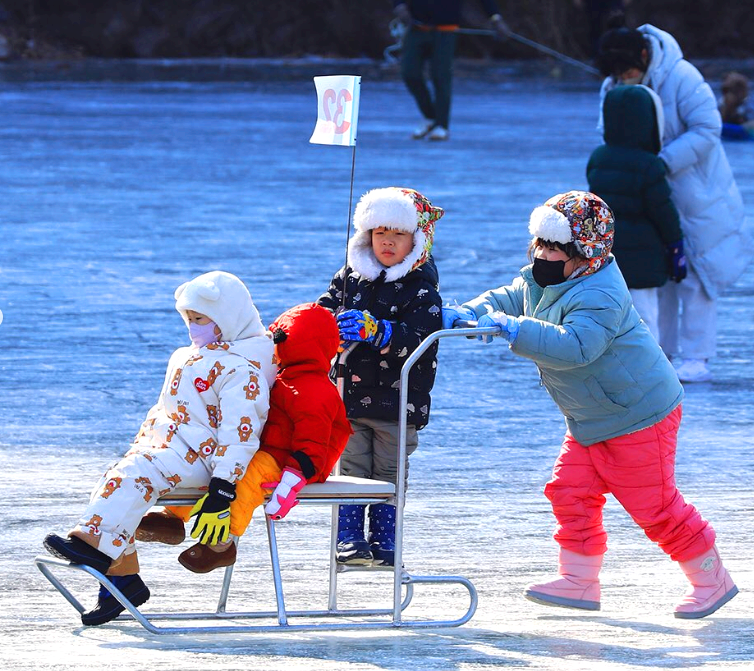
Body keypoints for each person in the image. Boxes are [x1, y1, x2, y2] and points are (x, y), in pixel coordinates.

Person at [442, 191, 738, 619]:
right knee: (570, 491)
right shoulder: (543, 279)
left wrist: (513, 328)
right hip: (591, 416)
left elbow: (579, 347)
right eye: (540, 245)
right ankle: (579, 580)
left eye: (554, 248)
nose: (542, 255)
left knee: (654, 507)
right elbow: (509, 297)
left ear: (585, 254)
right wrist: (468, 313)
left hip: (638, 414)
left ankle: (712, 579)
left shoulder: (600, 293)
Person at [42, 271, 276, 625]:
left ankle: (94, 545)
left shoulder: (243, 368)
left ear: (226, 318)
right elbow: (162, 412)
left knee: (135, 475)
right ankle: (122, 581)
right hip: (168, 449)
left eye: (200, 320)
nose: (192, 327)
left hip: (205, 459)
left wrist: (223, 486)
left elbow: (241, 432)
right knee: (117, 480)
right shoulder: (185, 357)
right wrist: (140, 444)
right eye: (188, 320)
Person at [135, 303, 353, 574]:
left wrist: (296, 474)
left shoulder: (314, 388)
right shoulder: (281, 377)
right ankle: (174, 516)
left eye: (280, 340)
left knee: (246, 477)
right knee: (216, 466)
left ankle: (221, 544)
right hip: (268, 449)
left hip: (293, 461)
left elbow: (315, 438)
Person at [596, 23, 752, 383]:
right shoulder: (613, 86)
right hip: (647, 193)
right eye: (617, 74)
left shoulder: (682, 77)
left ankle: (697, 356)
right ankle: (660, 350)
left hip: (698, 193)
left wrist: (661, 163)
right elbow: (607, 132)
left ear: (645, 56)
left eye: (628, 71)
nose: (623, 79)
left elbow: (707, 129)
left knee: (696, 275)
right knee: (659, 273)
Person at [318, 187, 443, 566]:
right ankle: (350, 537)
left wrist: (381, 332)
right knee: (352, 468)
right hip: (350, 398)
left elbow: (422, 339)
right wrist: (328, 330)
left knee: (389, 471)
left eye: (398, 234)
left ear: (417, 239)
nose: (387, 241)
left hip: (398, 400)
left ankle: (386, 538)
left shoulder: (422, 287)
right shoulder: (349, 277)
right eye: (379, 232)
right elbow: (322, 309)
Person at [587, 84, 685, 340]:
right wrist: (675, 245)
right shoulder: (649, 165)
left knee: (610, 313)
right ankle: (648, 372)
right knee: (644, 317)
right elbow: (662, 210)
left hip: (607, 253)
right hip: (645, 257)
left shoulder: (598, 158)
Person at [392, 1, 510, 141]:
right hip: (417, 26)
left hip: (446, 29)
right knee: (409, 73)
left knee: (441, 75)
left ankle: (441, 125)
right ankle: (430, 117)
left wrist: (495, 18)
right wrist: (399, 4)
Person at [718, 72, 754, 138]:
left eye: (732, 91)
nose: (727, 95)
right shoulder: (719, 107)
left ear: (743, 92)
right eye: (725, 91)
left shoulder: (749, 110)